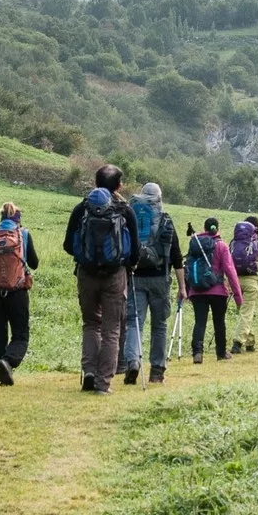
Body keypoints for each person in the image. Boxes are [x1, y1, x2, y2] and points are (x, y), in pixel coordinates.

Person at [62, 165, 139, 393]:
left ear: (95, 183)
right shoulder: (125, 211)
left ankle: (89, 372)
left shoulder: (82, 208)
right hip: (115, 275)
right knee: (112, 330)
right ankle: (103, 384)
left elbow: (68, 245)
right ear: (119, 186)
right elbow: (135, 250)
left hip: (86, 275)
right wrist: (126, 263)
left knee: (91, 324)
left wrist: (86, 258)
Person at [121, 181, 184, 385]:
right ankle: (156, 371)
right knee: (159, 326)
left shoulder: (130, 216)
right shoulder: (165, 219)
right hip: (160, 278)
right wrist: (182, 287)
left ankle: (132, 362)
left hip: (136, 277)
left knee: (134, 322)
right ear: (159, 197)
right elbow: (176, 256)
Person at [0, 201, 39, 386]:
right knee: (20, 334)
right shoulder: (24, 234)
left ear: (1, 217)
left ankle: (0, 372)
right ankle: (8, 362)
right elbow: (34, 263)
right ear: (17, 220)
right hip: (18, 293)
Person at [184, 217, 244, 364]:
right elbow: (230, 271)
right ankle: (221, 353)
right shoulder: (221, 246)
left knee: (200, 322)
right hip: (218, 291)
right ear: (217, 228)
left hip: (197, 291)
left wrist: (185, 290)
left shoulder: (195, 243)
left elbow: (188, 268)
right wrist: (238, 297)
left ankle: (197, 353)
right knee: (219, 322)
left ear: (204, 229)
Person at [229, 215, 258, 353]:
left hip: (235, 280)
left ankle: (250, 342)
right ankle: (237, 343)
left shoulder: (234, 242)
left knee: (243, 311)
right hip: (251, 280)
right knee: (247, 313)